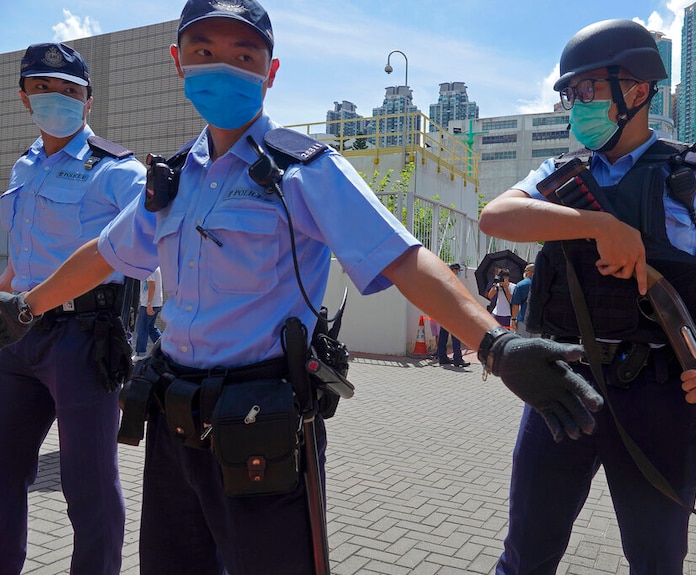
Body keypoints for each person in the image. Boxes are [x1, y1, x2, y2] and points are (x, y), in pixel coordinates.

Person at [0, 2, 604, 573]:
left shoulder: (304, 171)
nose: (223, 67)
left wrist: (493, 344)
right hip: (173, 422)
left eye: (244, 56)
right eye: (204, 50)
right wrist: (26, 307)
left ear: (271, 72)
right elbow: (102, 254)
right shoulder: (172, 179)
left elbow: (403, 260)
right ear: (177, 61)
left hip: (260, 425)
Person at [478, 19, 696, 575]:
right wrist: (596, 225)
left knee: (657, 559)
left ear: (639, 90)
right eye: (570, 93)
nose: (576, 104)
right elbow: (496, 216)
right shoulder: (559, 177)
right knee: (526, 553)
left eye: (589, 89)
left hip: (661, 393)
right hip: (563, 384)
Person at [0, 43, 145, 575]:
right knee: (4, 469)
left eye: (70, 90)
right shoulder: (24, 166)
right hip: (18, 337)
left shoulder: (116, 171)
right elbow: (22, 255)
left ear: (88, 101)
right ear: (24, 97)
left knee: (88, 483)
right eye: (43, 88)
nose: (56, 97)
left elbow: (153, 247)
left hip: (82, 338)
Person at [437, 263, 470, 367]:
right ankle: (458, 359)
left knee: (443, 335)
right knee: (456, 336)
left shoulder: (443, 280)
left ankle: (442, 357)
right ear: (453, 270)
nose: (458, 273)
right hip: (452, 312)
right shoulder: (451, 281)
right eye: (458, 271)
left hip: (444, 311)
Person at [132, 267, 163, 361]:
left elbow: (152, 286)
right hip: (155, 303)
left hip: (149, 304)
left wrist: (149, 304)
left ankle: (140, 354)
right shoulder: (155, 267)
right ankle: (164, 348)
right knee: (150, 328)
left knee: (142, 328)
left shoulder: (149, 269)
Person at [510, 263, 535, 337]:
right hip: (538, 322)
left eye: (526, 270)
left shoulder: (520, 285)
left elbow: (515, 305)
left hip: (523, 320)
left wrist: (513, 320)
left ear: (529, 272)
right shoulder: (544, 285)